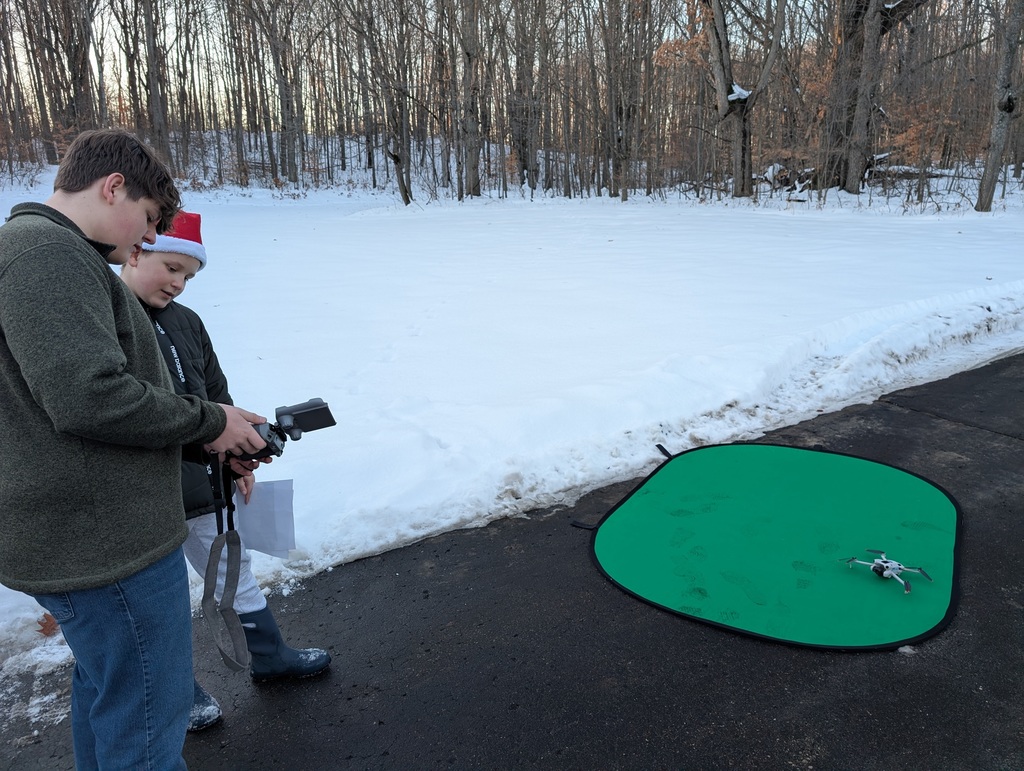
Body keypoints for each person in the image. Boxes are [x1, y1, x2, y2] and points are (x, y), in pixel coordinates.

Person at [0, 129, 269, 770]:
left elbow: (64, 409)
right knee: (148, 716)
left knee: (111, 694)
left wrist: (204, 441)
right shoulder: (47, 255)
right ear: (112, 187)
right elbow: (89, 398)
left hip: (86, 530)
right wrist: (209, 422)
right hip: (106, 543)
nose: (148, 238)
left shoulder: (44, 251)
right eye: (148, 218)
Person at [119, 210, 331, 732]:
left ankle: (270, 655)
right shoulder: (109, 316)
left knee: (233, 573)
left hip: (201, 484)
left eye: (188, 276)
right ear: (136, 252)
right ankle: (176, 694)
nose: (178, 283)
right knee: (156, 601)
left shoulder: (187, 321)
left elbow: (216, 395)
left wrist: (237, 456)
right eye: (171, 267)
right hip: (139, 492)